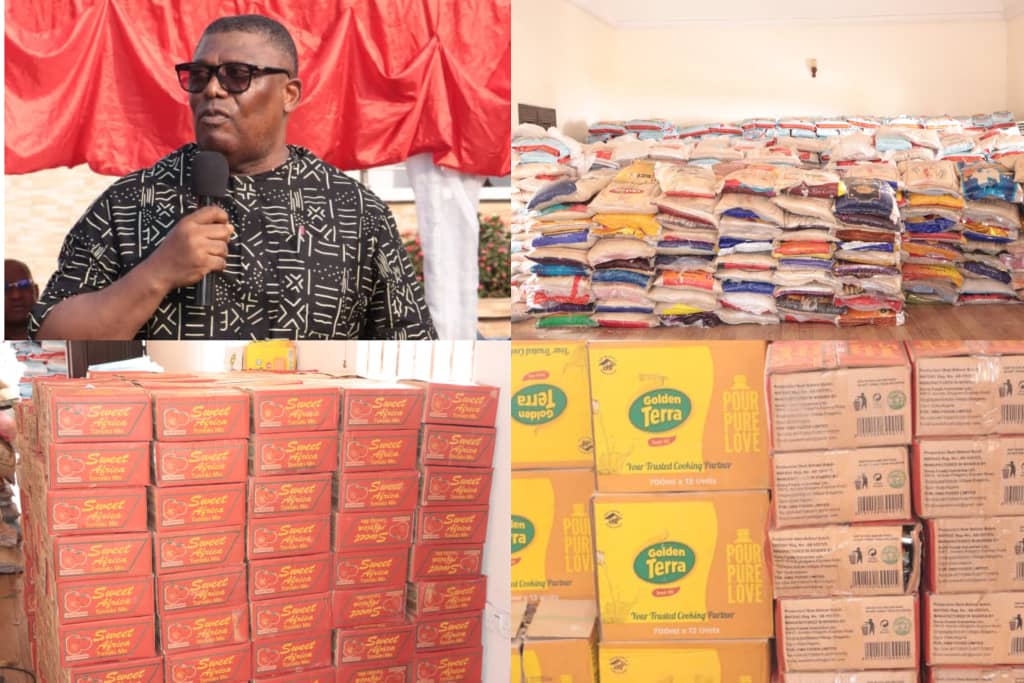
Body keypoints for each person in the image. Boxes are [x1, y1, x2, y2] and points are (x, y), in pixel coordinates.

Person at [29, 14, 436, 340]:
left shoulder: (354, 209)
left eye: (237, 75)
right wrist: (157, 274)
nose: (212, 90)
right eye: (199, 75)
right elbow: (50, 338)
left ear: (289, 94)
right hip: (174, 418)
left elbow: (410, 348)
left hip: (304, 421)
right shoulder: (131, 202)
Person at [4, 260, 38, 340]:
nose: (16, 296)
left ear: (36, 291)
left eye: (24, 285)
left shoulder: (61, 333)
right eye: (4, 288)